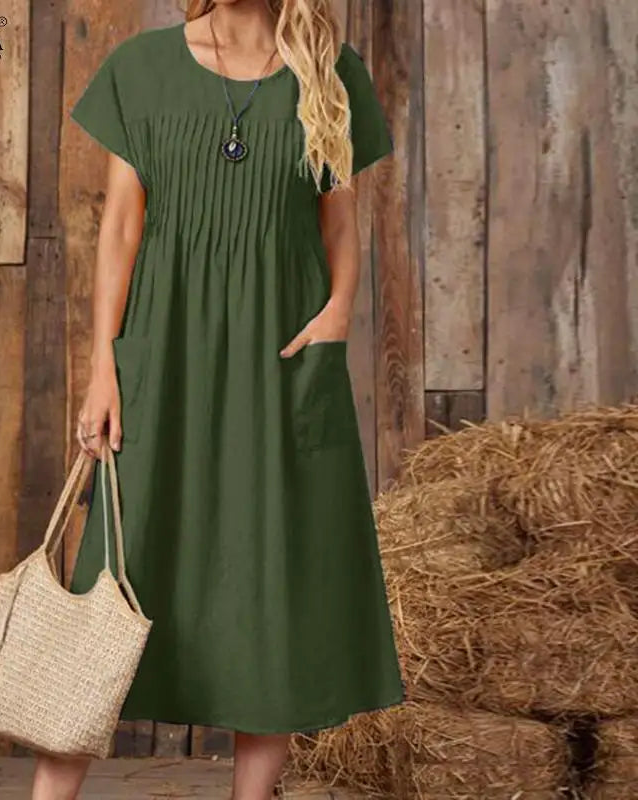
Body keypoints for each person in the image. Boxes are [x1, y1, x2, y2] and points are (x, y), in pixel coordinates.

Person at [33, 1, 404, 798]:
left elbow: (341, 222)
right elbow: (121, 227)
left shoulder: (328, 71)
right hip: (163, 350)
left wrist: (338, 312)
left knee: (271, 571)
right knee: (119, 569)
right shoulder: (141, 69)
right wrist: (103, 367)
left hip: (280, 352)